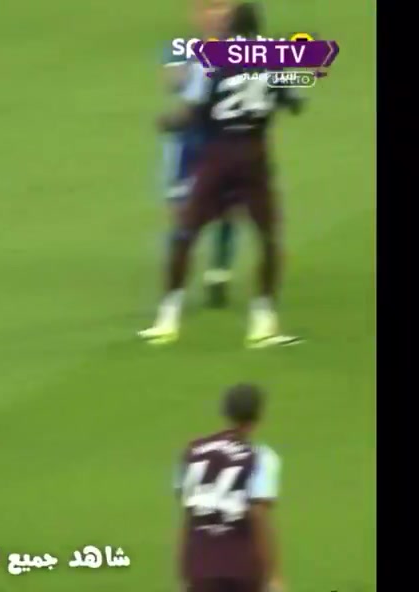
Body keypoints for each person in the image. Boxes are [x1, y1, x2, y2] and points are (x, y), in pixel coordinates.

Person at [140, 2, 303, 348]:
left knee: (186, 231)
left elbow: (195, 108)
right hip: (255, 156)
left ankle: (167, 319)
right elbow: (293, 103)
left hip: (216, 154)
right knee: (268, 237)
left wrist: (169, 123)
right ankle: (263, 322)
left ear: (231, 28)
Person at [163, 0, 239, 308]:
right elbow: (175, 85)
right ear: (196, 14)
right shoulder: (182, 49)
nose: (216, 15)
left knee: (227, 206)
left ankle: (218, 272)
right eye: (209, 8)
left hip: (226, 140)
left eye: (222, 8)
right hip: (188, 144)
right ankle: (176, 280)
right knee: (181, 209)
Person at [174, 384, 282, 592]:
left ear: (225, 412)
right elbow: (258, 516)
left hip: (200, 568)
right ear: (258, 416)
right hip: (242, 570)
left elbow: (188, 515)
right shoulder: (261, 457)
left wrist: (183, 574)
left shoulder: (192, 452)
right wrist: (273, 576)